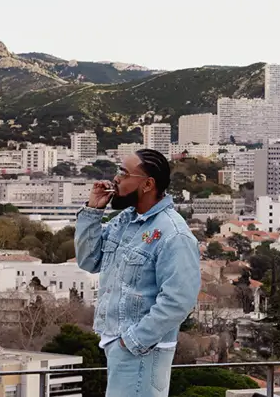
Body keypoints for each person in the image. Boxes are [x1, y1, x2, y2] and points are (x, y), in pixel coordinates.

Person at [75, 148, 201, 397]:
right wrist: (93, 211)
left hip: (143, 351)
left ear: (147, 184)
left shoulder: (173, 234)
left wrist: (131, 342)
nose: (116, 179)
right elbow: (89, 260)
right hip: (120, 346)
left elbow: (179, 301)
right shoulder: (126, 220)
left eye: (124, 172)